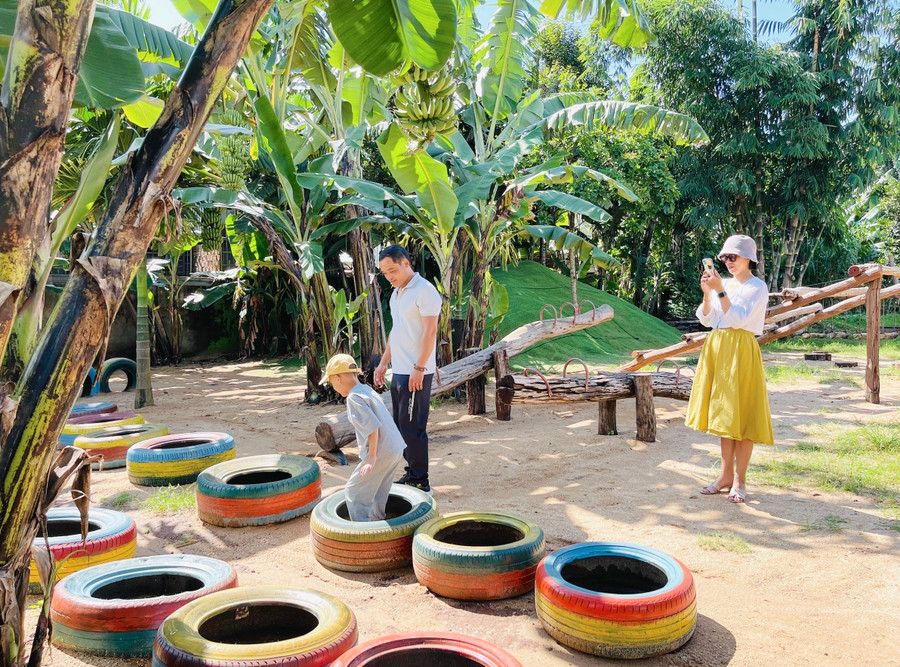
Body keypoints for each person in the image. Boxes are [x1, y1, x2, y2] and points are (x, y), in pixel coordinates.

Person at [685, 234, 774, 504]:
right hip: (719, 347)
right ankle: (725, 476)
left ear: (748, 258)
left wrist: (720, 289)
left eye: (733, 257)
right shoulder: (727, 284)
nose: (728, 262)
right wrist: (708, 294)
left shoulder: (757, 287)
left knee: (743, 415)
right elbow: (707, 318)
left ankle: (740, 480)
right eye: (724, 258)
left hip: (742, 349)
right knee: (725, 416)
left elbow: (738, 319)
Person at [373, 245, 442, 495]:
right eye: (384, 273)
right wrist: (383, 363)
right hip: (400, 370)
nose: (389, 276)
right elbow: (397, 330)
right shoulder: (396, 294)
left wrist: (420, 367)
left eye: (392, 270)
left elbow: (430, 332)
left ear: (405, 263)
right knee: (401, 425)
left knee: (413, 427)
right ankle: (412, 473)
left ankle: (421, 481)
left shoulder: (425, 291)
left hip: (417, 371)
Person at [321, 354, 406, 521]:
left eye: (331, 382)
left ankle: (362, 535)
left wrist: (371, 457)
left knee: (354, 492)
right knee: (378, 493)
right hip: (395, 448)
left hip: (381, 451)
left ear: (338, 378)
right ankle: (377, 523)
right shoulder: (367, 390)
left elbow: (372, 427)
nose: (333, 387)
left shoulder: (354, 398)